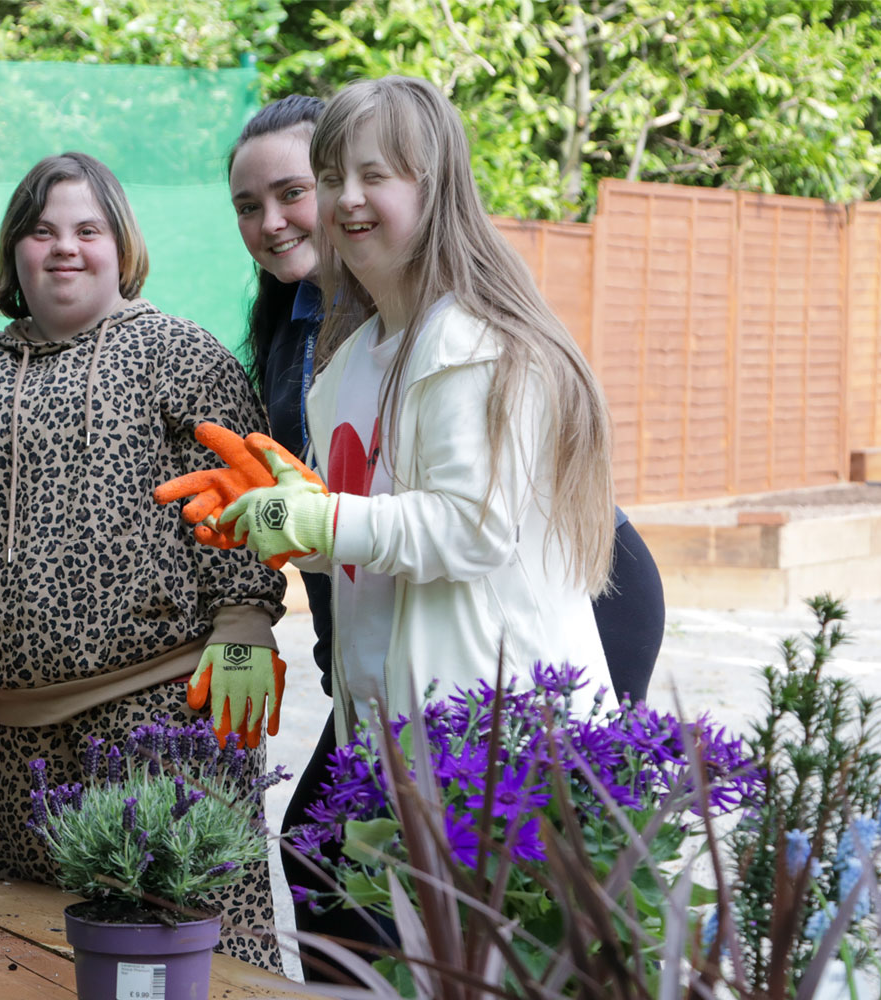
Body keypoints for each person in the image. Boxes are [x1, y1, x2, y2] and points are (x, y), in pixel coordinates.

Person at [164, 75, 630, 972]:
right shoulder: (348, 361)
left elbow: (471, 529)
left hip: (490, 743)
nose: (344, 199)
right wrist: (292, 523)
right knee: (361, 931)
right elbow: (366, 540)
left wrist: (321, 517)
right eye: (332, 173)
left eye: (374, 175)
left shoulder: (474, 341)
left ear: (437, 184)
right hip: (389, 735)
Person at [0, 151, 290, 971]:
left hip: (169, 716)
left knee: (201, 956)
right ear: (13, 253)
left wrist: (248, 618)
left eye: (87, 229)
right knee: (43, 956)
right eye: (42, 231)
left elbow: (246, 494)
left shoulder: (181, 354)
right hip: (20, 740)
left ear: (122, 245)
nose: (65, 247)